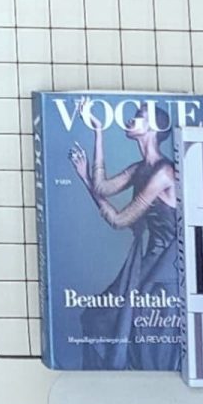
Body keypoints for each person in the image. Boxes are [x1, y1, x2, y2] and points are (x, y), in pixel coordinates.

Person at [68, 104, 181, 372]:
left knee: (137, 336)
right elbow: (102, 187)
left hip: (167, 270)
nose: (131, 120)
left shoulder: (164, 173)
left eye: (139, 116)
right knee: (100, 321)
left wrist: (87, 181)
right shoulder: (140, 169)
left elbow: (119, 220)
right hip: (149, 262)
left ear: (154, 128)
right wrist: (98, 132)